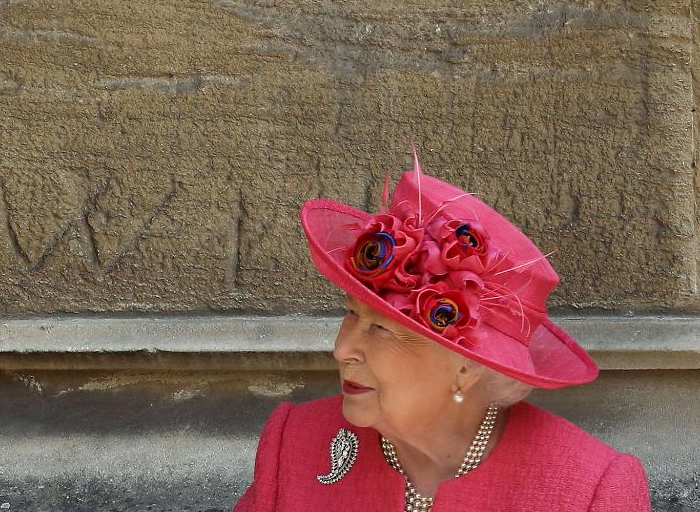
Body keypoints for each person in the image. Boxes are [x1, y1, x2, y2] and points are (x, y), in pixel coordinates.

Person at [234, 164, 650, 511]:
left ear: (467, 365)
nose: (342, 349)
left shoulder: (589, 491)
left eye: (381, 328)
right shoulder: (294, 443)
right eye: (351, 314)